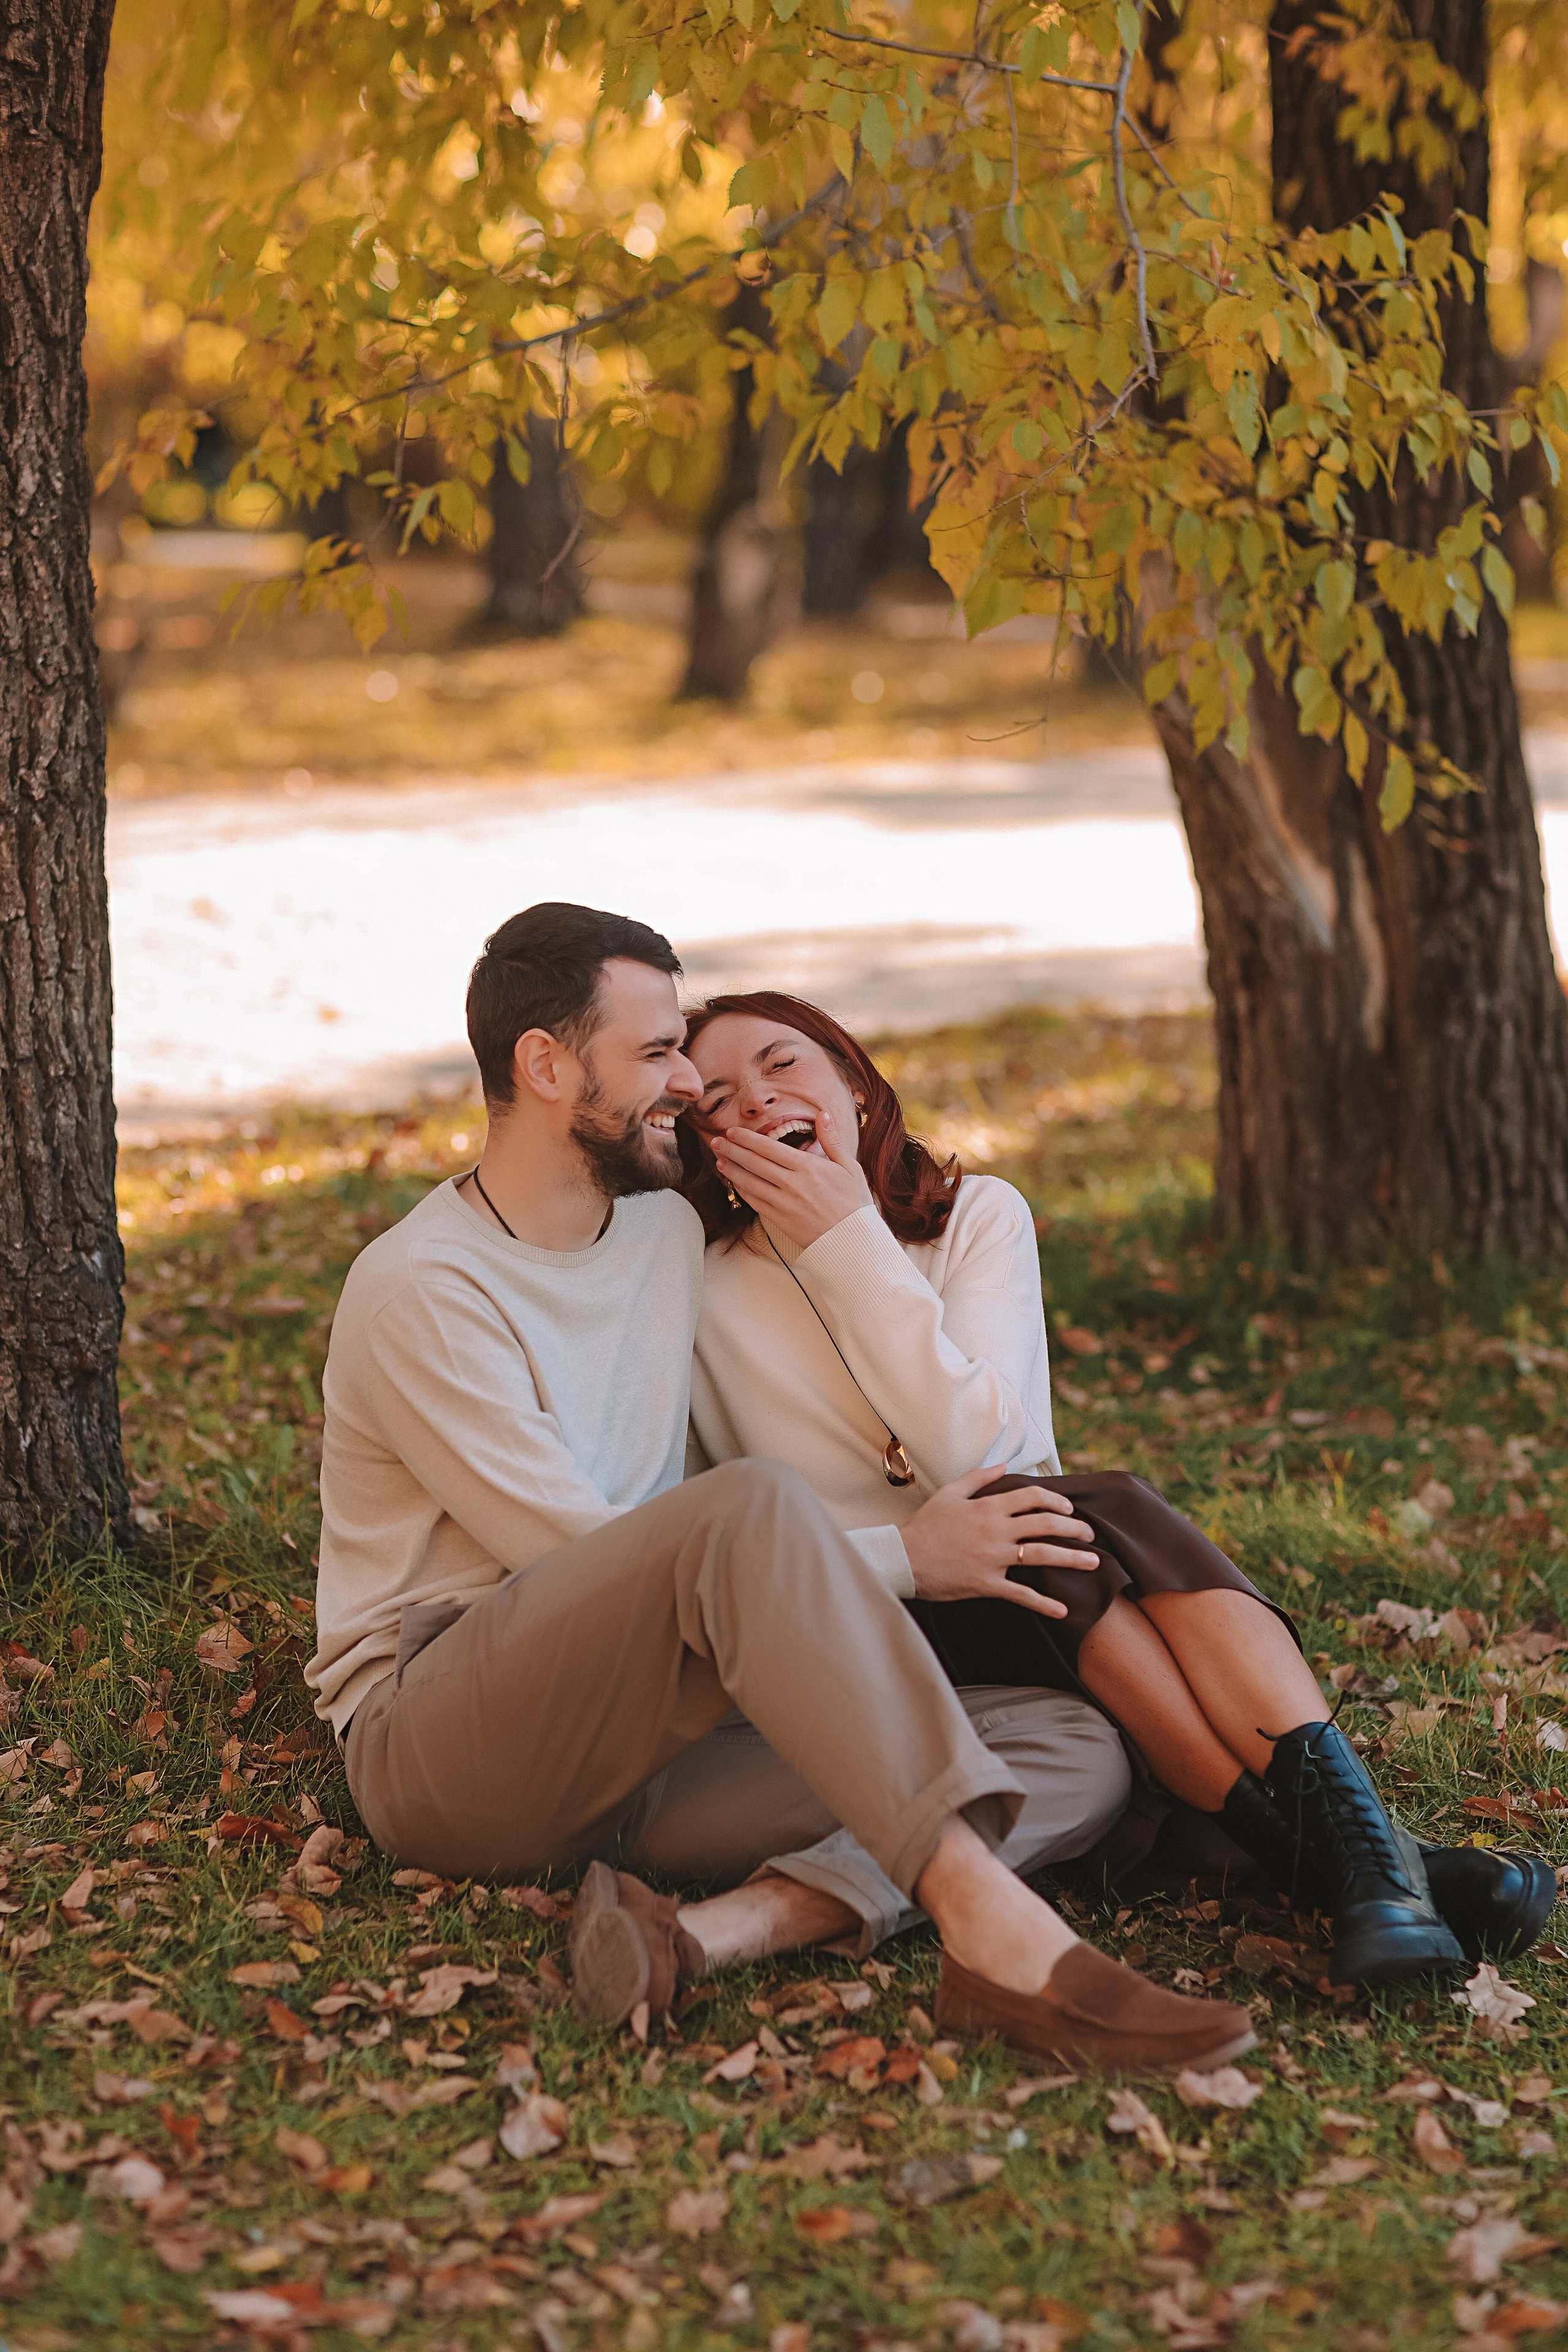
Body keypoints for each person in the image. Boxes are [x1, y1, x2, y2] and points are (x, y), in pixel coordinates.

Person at [306, 901, 1257, 2074]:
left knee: (1070, 1748)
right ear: (544, 1066)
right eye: (658, 1055)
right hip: (454, 1739)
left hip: (655, 1743)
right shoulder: (424, 1288)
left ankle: (709, 1935)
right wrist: (912, 1559)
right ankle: (1005, 1945)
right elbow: (577, 1553)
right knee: (748, 1507)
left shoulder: (662, 1236)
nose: (688, 1090)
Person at [679, 990, 1557, 1988]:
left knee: (1066, 1524)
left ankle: (1365, 1880)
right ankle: (1379, 1870)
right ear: (707, 1150)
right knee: (1098, 1514)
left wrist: (851, 1242)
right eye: (715, 1098)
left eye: (782, 1064)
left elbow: (989, 1455)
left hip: (1042, 1585)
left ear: (852, 1083)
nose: (754, 1098)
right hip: (876, 1612)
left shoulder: (976, 1218)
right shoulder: (702, 1288)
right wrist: (830, 1250)